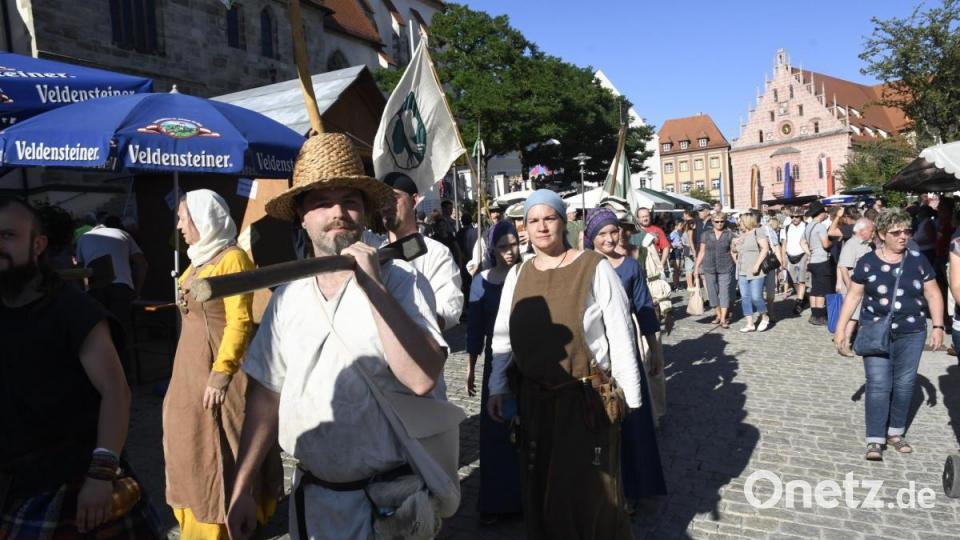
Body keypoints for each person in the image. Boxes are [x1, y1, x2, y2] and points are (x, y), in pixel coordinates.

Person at [226, 134, 454, 540]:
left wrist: (374, 288)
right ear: (301, 216)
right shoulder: (287, 297)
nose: (339, 213)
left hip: (392, 504)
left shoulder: (401, 282)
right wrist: (243, 485)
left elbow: (422, 378)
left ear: (366, 212)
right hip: (316, 503)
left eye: (350, 201)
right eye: (321, 202)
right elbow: (265, 397)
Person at [0, 197, 160, 538]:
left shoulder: (72, 309)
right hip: (14, 485)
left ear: (38, 244)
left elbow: (115, 391)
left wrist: (101, 474)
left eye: (8, 236)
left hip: (74, 486)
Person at [487, 189, 641, 539]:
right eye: (534, 220)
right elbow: (501, 338)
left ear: (563, 222)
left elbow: (620, 334)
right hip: (534, 403)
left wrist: (629, 402)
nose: (542, 227)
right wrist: (497, 386)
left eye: (549, 218)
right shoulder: (518, 274)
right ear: (524, 227)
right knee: (539, 488)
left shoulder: (594, 268)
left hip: (585, 402)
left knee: (591, 494)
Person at [164, 190, 281, 539]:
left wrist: (220, 374)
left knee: (223, 446)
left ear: (205, 218)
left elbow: (239, 321)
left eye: (185, 217)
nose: (181, 225)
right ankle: (199, 519)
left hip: (217, 373)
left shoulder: (232, 259)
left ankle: (226, 520)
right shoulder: (198, 259)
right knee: (190, 445)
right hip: (187, 369)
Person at [834, 209, 944, 461]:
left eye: (907, 231)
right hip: (875, 331)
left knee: (905, 384)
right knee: (878, 384)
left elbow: (933, 293)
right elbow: (853, 296)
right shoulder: (867, 262)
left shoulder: (918, 260)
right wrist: (841, 329)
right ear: (882, 234)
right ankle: (875, 439)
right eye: (896, 232)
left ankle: (896, 432)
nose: (903, 236)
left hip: (912, 331)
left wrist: (938, 326)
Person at [583, 208, 667, 508]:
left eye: (612, 232)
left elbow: (644, 310)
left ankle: (632, 490)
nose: (608, 238)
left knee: (630, 421)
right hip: (594, 355)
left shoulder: (630, 267)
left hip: (624, 349)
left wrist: (654, 351)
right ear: (591, 237)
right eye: (601, 233)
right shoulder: (583, 265)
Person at [465, 221, 523, 523]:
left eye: (514, 244)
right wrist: (471, 367)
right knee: (496, 431)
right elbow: (474, 329)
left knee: (524, 430)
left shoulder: (527, 275)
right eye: (502, 246)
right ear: (492, 249)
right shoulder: (481, 281)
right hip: (496, 361)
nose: (510, 252)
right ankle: (496, 502)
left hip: (527, 361)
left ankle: (527, 499)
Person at [381, 172, 464, 330]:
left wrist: (414, 325)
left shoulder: (435, 252)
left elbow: (449, 307)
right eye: (382, 200)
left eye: (393, 198)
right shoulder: (373, 251)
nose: (386, 206)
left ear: (414, 200)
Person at [75, 214, 149, 369]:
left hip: (95, 290)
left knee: (97, 335)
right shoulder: (123, 234)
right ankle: (125, 377)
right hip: (122, 288)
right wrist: (137, 290)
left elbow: (80, 271)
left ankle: (100, 374)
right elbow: (142, 264)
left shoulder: (83, 238)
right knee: (121, 334)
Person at [835, 217, 875, 357]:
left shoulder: (867, 244)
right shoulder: (851, 245)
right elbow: (844, 267)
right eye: (871, 230)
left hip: (863, 287)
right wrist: (851, 287)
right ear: (862, 231)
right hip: (853, 288)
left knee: (857, 317)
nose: (873, 232)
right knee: (853, 317)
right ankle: (844, 344)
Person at [694, 212, 736, 328]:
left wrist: (738, 265)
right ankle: (718, 314)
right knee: (712, 293)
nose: (719, 223)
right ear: (712, 222)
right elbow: (701, 252)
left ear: (725, 221)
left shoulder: (729, 235)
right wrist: (696, 267)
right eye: (717, 221)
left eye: (722, 221)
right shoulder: (706, 235)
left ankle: (723, 319)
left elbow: (733, 252)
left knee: (724, 292)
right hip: (709, 266)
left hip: (726, 266)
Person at [732, 213, 771, 332]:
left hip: (756, 271)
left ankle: (765, 316)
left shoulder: (758, 232)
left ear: (747, 221)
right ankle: (750, 324)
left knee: (756, 296)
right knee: (745, 297)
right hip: (742, 270)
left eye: (741, 221)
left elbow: (765, 248)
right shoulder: (741, 235)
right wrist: (734, 244)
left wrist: (757, 265)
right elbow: (734, 251)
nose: (739, 224)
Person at [802, 202, 834, 325]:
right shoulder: (820, 227)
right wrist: (832, 243)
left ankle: (814, 314)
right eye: (825, 212)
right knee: (821, 290)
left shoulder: (808, 226)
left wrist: (809, 253)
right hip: (822, 260)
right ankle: (820, 316)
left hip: (812, 261)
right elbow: (825, 244)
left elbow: (802, 242)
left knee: (814, 289)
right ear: (821, 213)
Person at [781, 211, 809, 313]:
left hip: (803, 254)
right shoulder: (787, 227)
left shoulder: (806, 226)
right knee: (793, 280)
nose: (794, 218)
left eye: (796, 216)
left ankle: (799, 302)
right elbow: (784, 243)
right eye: (792, 216)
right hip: (790, 255)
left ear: (801, 216)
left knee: (801, 279)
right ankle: (803, 297)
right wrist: (783, 258)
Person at [763, 216, 783, 317]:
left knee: (769, 288)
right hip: (762, 263)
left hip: (767, 263)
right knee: (768, 289)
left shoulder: (768, 230)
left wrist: (780, 265)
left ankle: (769, 312)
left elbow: (776, 247)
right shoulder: (768, 230)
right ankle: (768, 312)